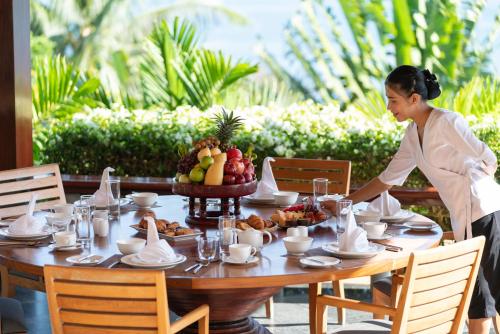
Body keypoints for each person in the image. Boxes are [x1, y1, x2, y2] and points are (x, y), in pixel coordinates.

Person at [322, 65, 500, 334]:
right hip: (463, 213)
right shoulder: (412, 135)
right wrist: (345, 202)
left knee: (495, 285)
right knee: (476, 291)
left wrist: (475, 183)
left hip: (485, 210)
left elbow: (488, 158)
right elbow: (387, 178)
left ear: (414, 99)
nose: (388, 107)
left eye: (393, 100)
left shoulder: (447, 122)